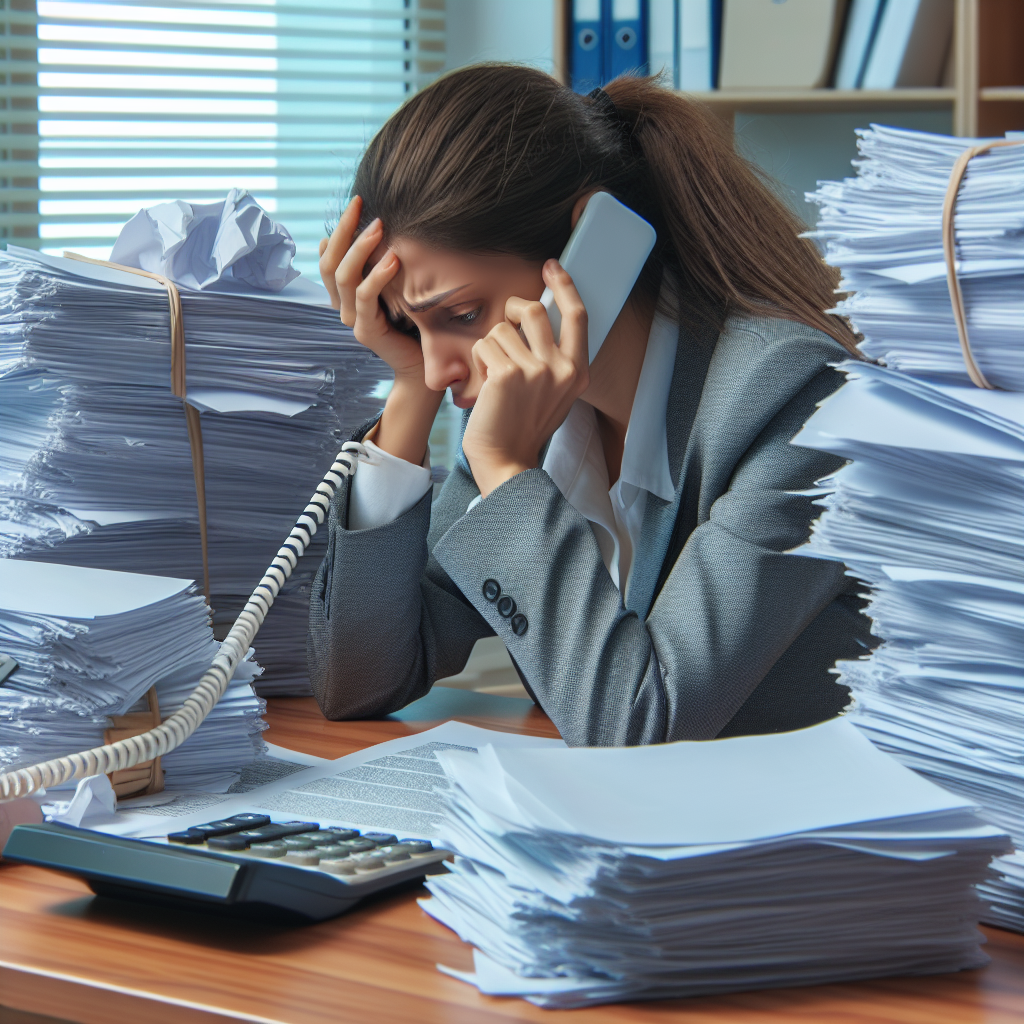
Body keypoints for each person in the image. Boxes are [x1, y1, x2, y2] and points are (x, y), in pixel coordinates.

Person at [307, 65, 873, 747]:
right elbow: (361, 682)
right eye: (409, 324)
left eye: (460, 312)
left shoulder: (792, 397)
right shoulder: (529, 409)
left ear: (590, 247)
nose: (440, 366)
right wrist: (410, 390)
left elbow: (639, 724)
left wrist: (505, 468)